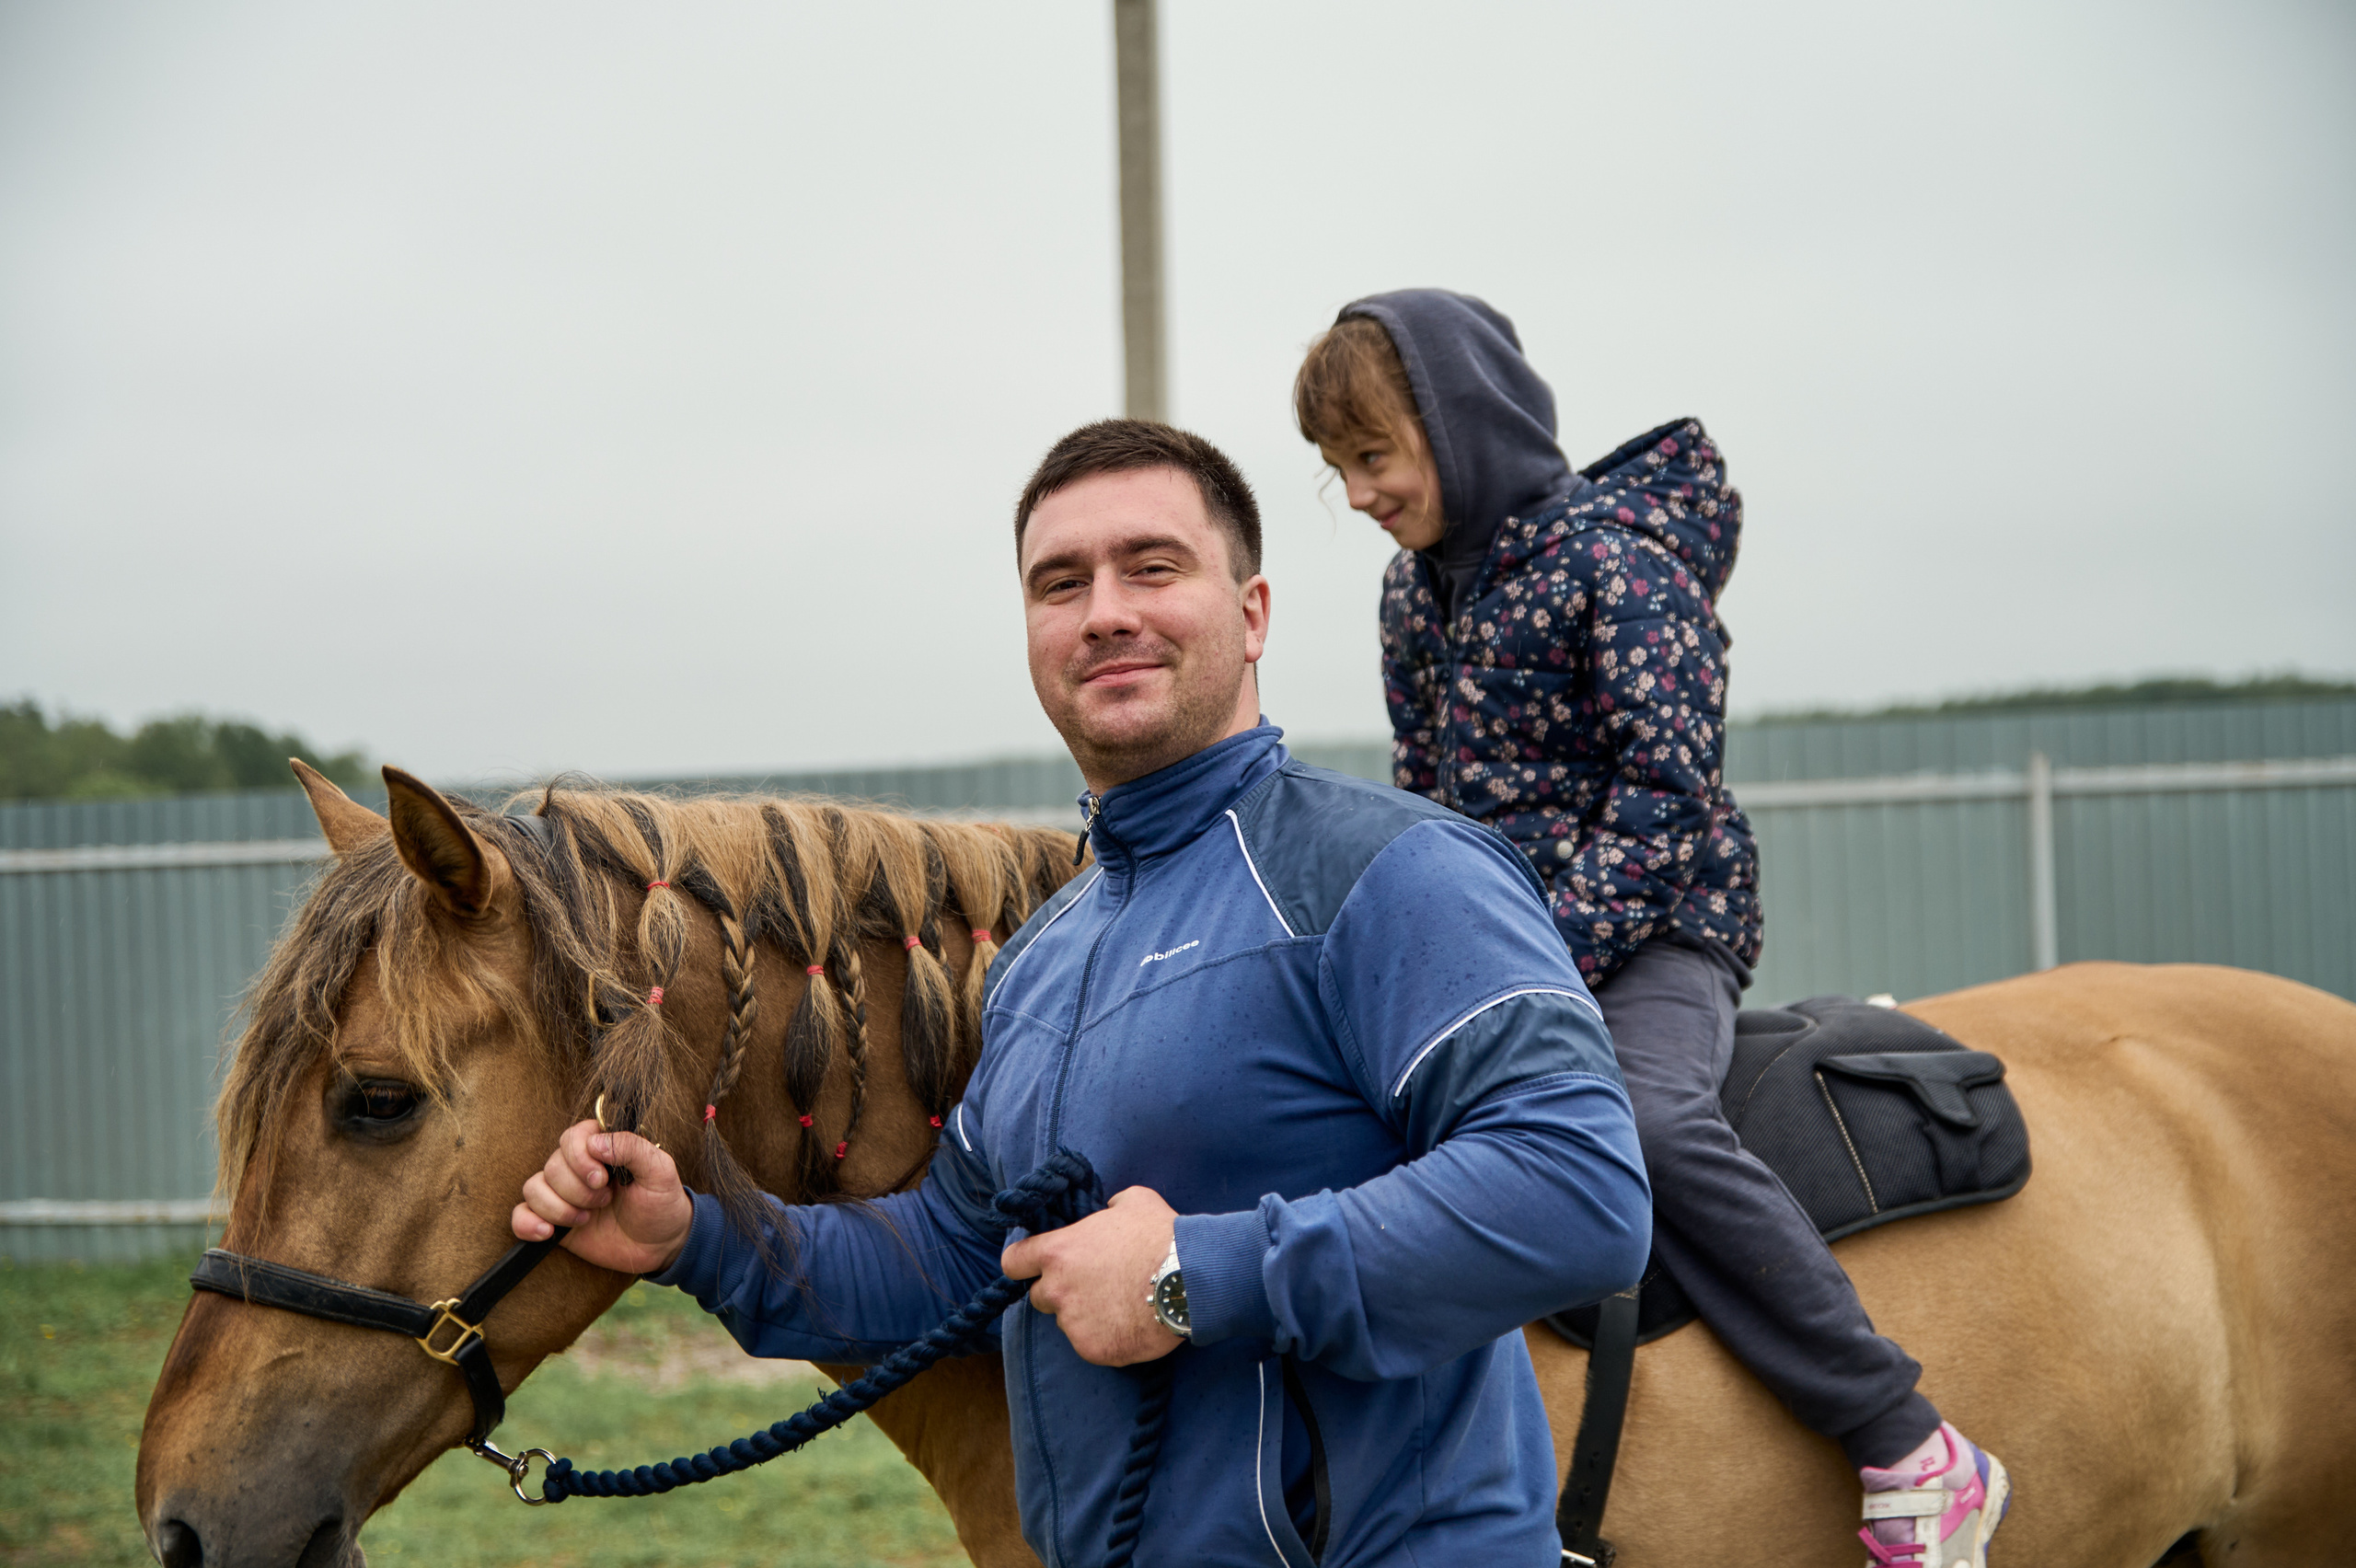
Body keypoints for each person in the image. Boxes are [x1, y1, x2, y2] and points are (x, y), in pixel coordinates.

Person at [514, 419, 1653, 1566]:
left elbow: (1577, 1189)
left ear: (1252, 614)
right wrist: (695, 1237)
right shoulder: (1040, 961)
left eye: (1151, 567)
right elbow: (956, 1261)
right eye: (1061, 584)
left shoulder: (1391, 872)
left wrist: (1186, 1277)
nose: (1104, 611)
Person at [1292, 289, 2010, 1568]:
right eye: (1335, 468)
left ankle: (1904, 1437)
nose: (1356, 495)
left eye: (1373, 456)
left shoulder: (1621, 564)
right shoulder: (1411, 595)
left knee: (1642, 1118)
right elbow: (1427, 797)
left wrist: (1542, 960)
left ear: (1457, 427)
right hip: (1507, 946)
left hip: (1663, 923)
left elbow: (1666, 799)